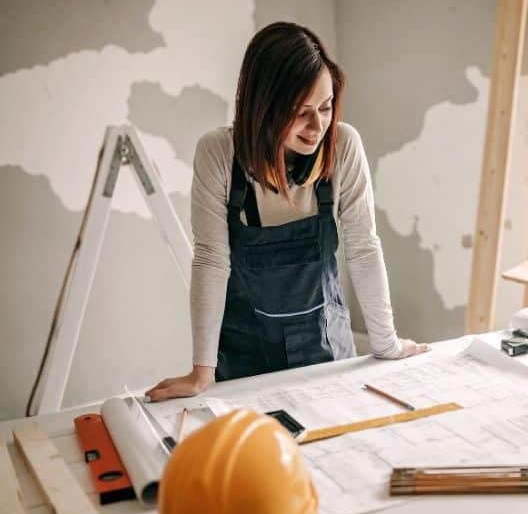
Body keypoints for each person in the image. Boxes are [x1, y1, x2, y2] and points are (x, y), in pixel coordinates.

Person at [146, 22, 426, 402]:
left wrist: (386, 344)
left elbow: (363, 248)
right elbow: (211, 260)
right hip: (244, 360)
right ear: (264, 108)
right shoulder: (217, 153)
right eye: (300, 112)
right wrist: (201, 372)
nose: (317, 127)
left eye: (326, 108)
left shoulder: (343, 145)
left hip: (326, 353)